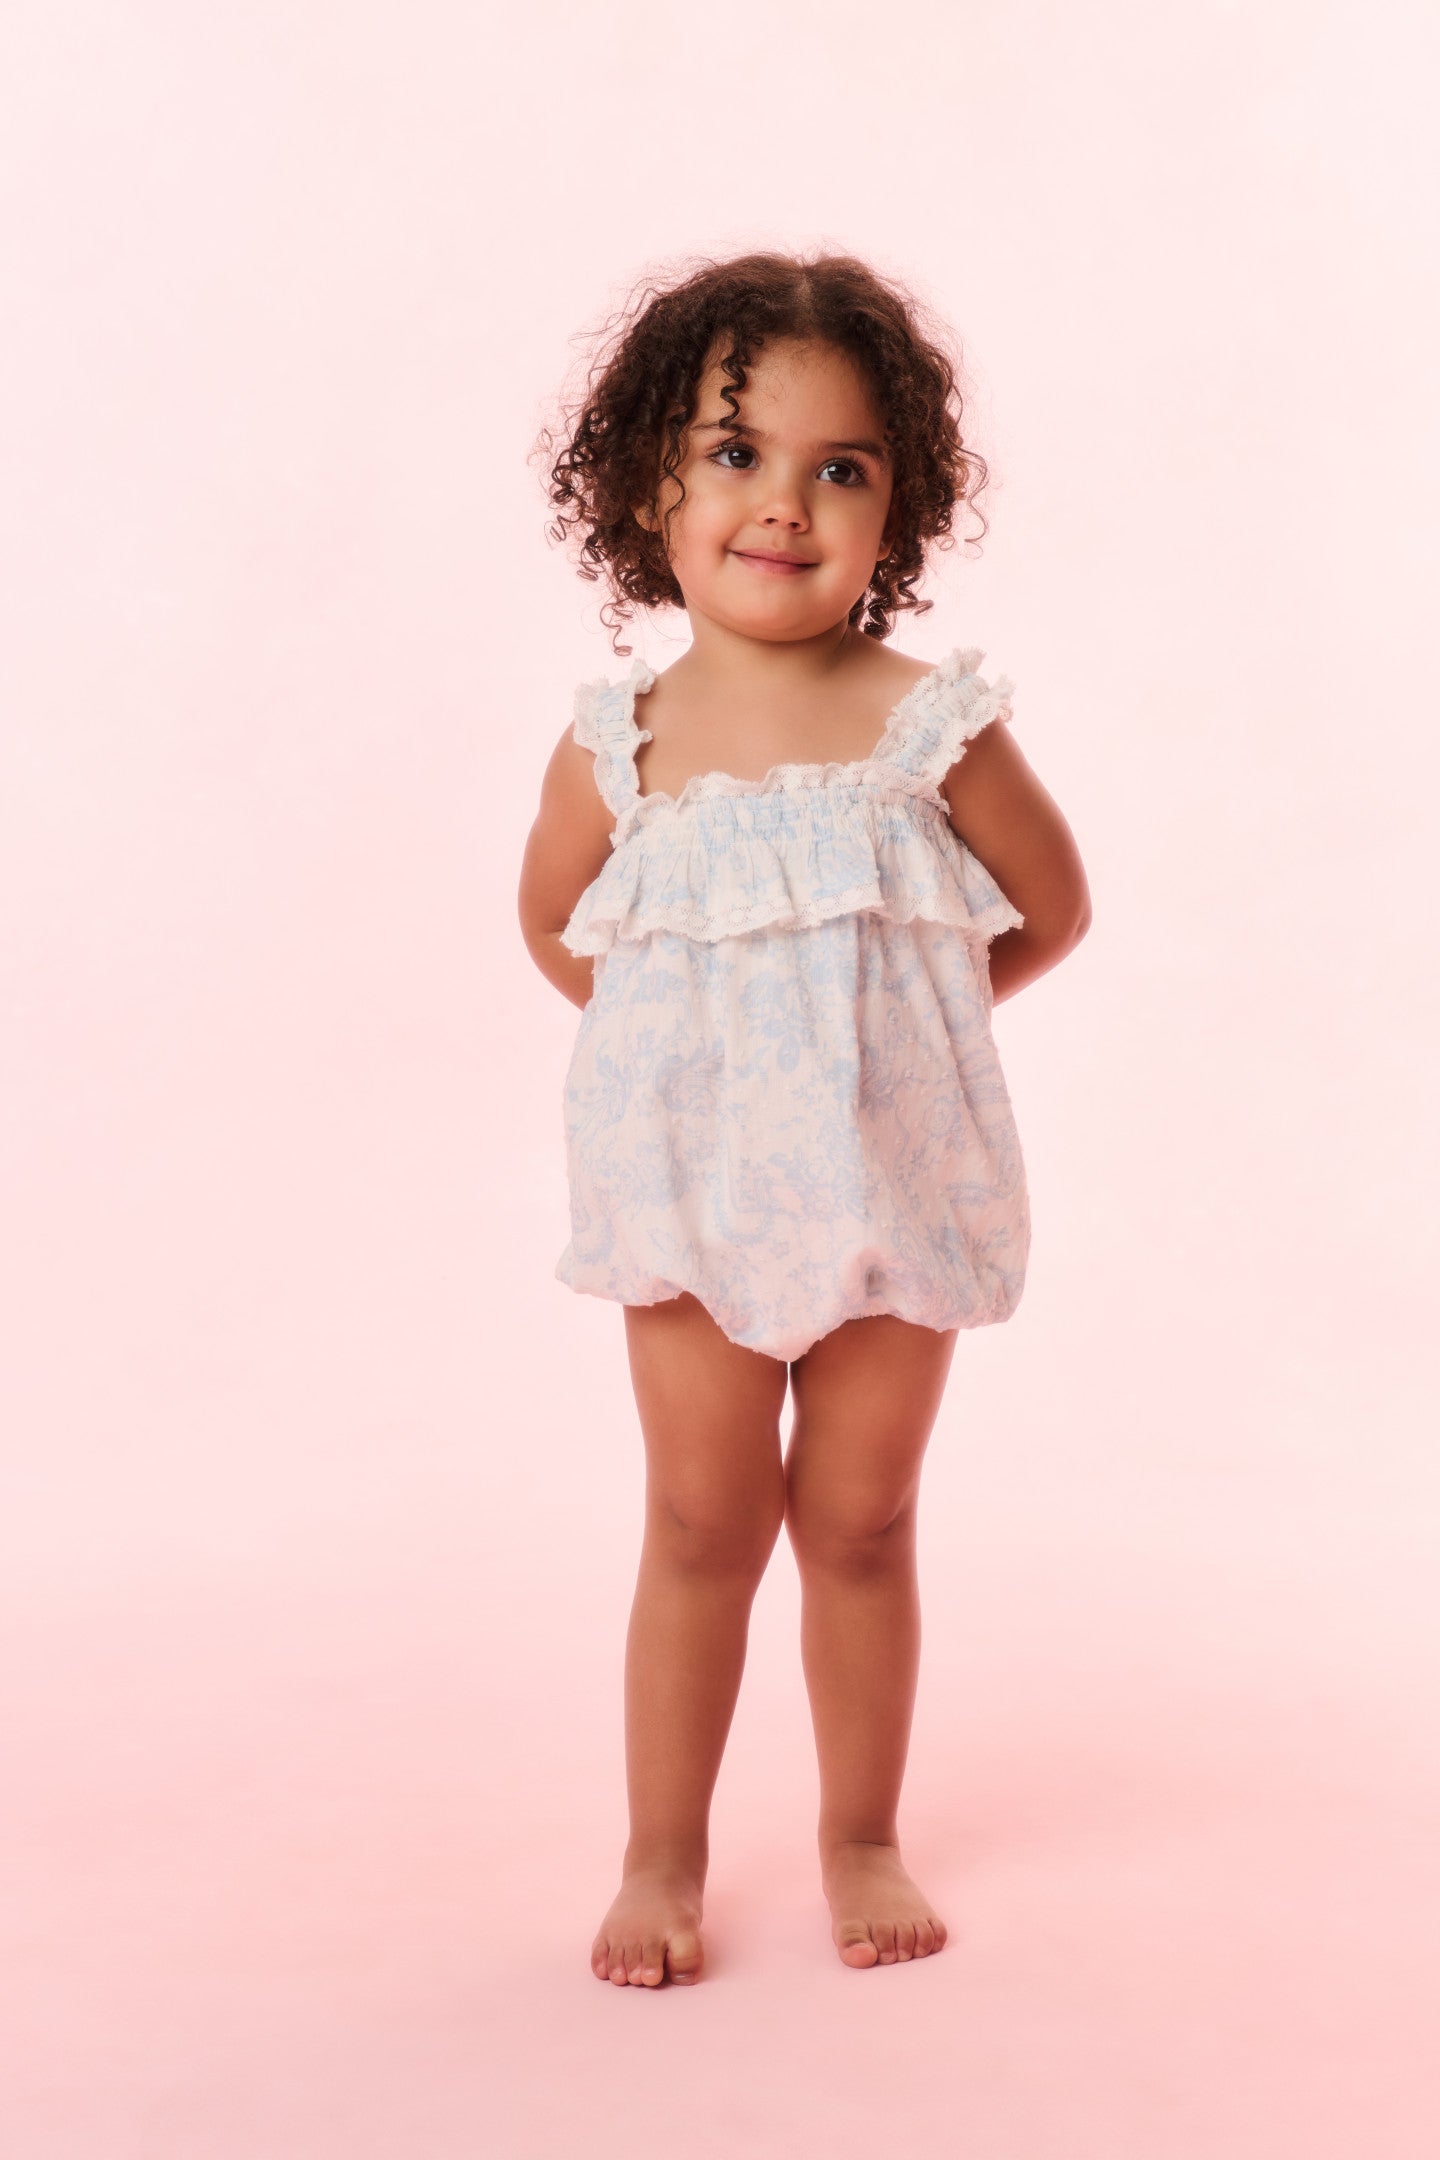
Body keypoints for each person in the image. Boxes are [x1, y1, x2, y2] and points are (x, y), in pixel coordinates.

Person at [517, 250, 1091, 1988]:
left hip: (892, 1190)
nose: (785, 504)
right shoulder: (621, 742)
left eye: (840, 468)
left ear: (894, 509)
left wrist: (885, 1044)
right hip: (692, 1196)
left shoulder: (927, 726)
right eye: (737, 454)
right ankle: (660, 1856)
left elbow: (1050, 909)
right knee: (703, 1523)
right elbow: (556, 926)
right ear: (651, 488)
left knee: (859, 1521)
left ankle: (860, 1833)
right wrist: (694, 1055)